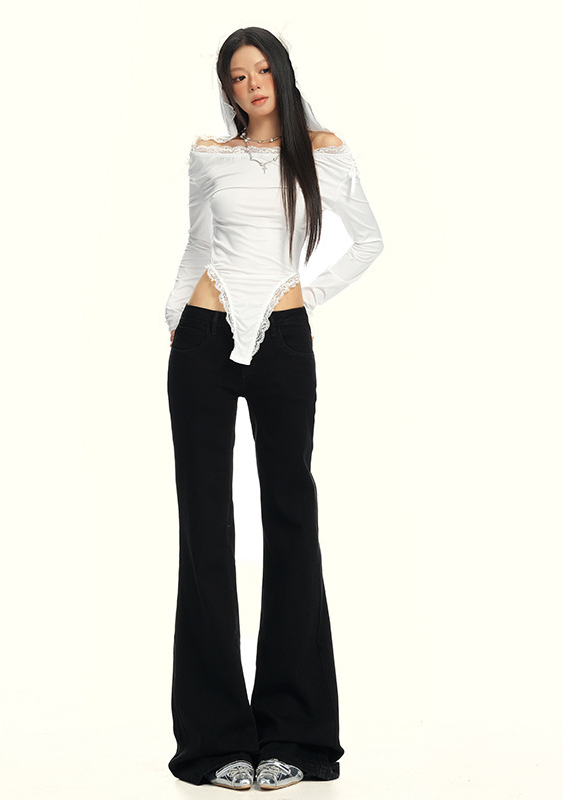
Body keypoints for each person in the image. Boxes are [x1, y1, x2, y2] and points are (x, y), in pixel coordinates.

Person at [164, 27, 384, 791]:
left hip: (285, 342)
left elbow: (369, 242)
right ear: (227, 88)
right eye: (238, 75)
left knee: (292, 518)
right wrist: (176, 319)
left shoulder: (323, 152)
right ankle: (215, 742)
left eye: (262, 70)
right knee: (206, 527)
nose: (252, 84)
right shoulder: (208, 155)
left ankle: (295, 734)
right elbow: (196, 246)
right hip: (201, 341)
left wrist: (306, 295)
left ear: (282, 75)